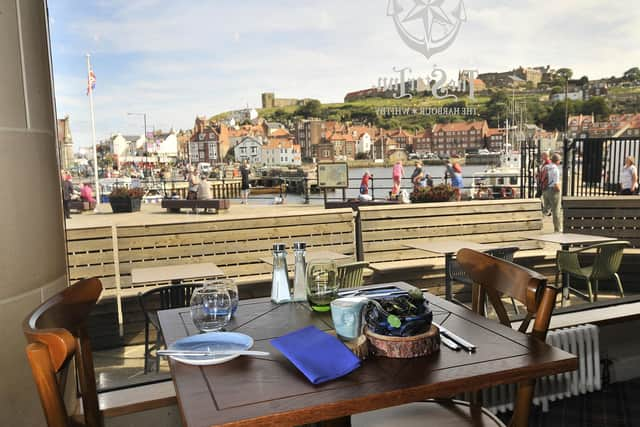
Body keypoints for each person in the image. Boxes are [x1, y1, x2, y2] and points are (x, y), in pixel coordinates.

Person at [543, 153, 563, 232]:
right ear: (557, 161)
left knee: (546, 209)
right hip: (553, 191)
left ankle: (537, 223)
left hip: (545, 190)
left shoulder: (546, 167)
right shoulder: (555, 170)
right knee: (556, 211)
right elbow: (556, 184)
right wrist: (559, 191)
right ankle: (557, 229)